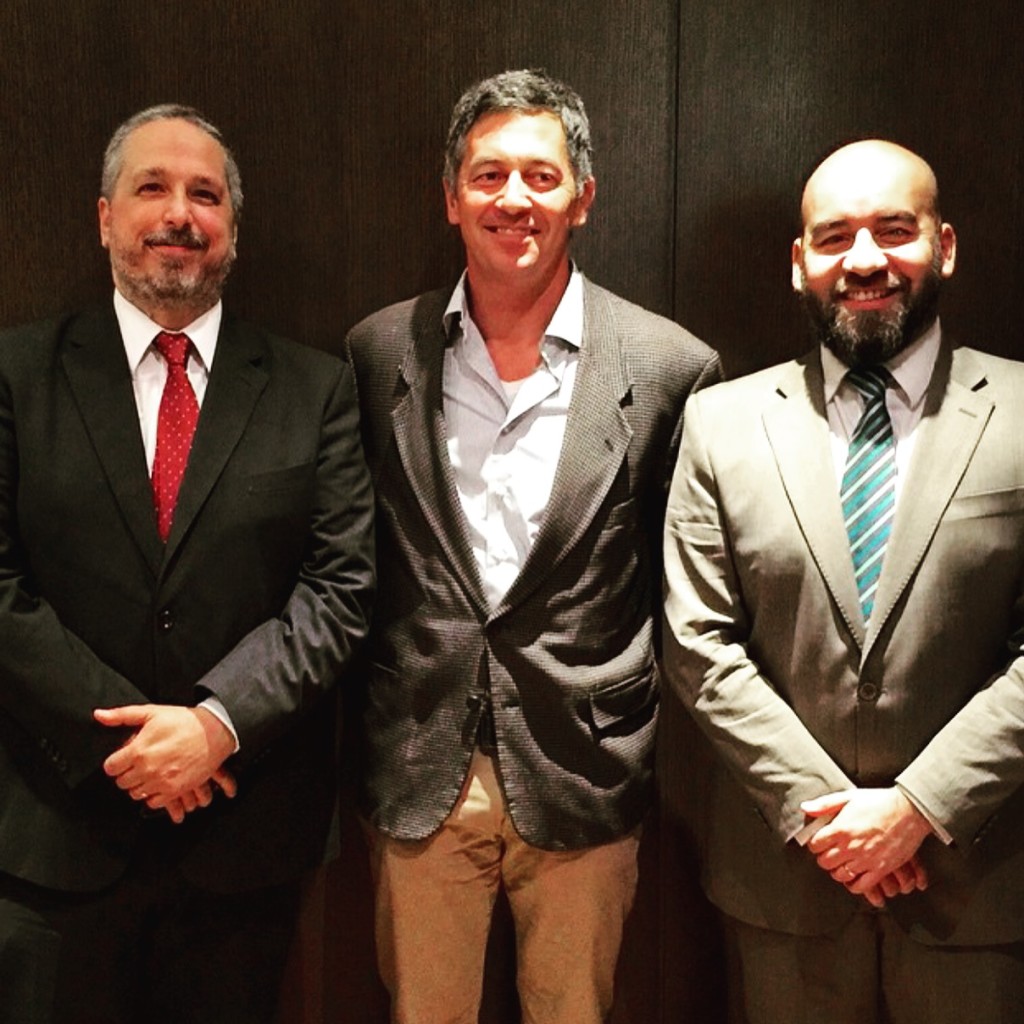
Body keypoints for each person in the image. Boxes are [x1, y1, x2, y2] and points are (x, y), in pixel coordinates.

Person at [344, 68, 721, 1023]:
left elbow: (682, 584)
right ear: (451, 196)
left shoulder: (671, 368)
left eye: (542, 177)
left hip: (584, 768)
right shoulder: (379, 352)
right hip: (421, 760)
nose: (515, 199)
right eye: (489, 175)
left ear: (583, 198)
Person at [0, 104, 375, 1024]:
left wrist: (215, 724)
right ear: (103, 217)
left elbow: (338, 591)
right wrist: (129, 747)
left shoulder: (315, 387)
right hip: (58, 836)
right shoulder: (14, 375)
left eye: (204, 195)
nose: (179, 213)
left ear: (232, 232)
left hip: (241, 845)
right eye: (151, 188)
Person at [662, 138, 1024, 1024]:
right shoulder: (721, 423)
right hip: (786, 889)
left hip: (973, 883)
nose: (864, 261)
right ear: (800, 265)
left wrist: (919, 806)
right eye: (834, 238)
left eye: (894, 230)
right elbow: (697, 643)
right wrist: (833, 823)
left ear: (943, 246)